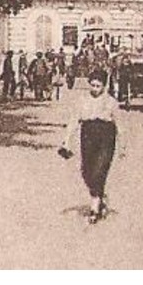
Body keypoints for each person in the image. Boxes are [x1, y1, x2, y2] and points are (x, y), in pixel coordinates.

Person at [59, 69, 119, 223]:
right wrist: (66, 140)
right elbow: (74, 121)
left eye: (98, 86)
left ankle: (95, 208)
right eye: (92, 85)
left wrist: (123, 145)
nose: (95, 89)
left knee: (99, 170)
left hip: (106, 136)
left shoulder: (111, 102)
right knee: (87, 171)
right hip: (88, 135)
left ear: (104, 86)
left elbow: (120, 124)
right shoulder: (82, 100)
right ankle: (100, 196)